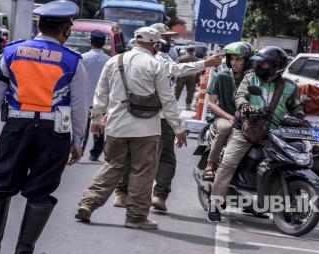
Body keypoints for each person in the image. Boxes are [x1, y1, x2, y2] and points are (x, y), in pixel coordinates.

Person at [0, 0, 89, 254]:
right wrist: (78, 142)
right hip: (54, 134)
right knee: (40, 191)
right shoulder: (73, 61)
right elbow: (79, 106)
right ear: (66, 31)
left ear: (39, 25)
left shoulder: (12, 52)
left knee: (1, 184)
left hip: (16, 128)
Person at [75, 27, 188, 229]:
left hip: (116, 126)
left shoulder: (114, 61)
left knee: (111, 166)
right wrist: (178, 128)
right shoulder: (155, 64)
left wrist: (96, 119)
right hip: (147, 130)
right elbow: (167, 99)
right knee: (142, 172)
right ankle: (135, 218)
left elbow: (101, 94)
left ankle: (87, 204)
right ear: (155, 45)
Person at [112, 24, 224, 212]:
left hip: (130, 113)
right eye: (165, 37)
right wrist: (205, 63)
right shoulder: (159, 59)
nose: (168, 41)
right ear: (155, 40)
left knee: (131, 154)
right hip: (159, 115)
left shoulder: (124, 58)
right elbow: (176, 73)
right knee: (165, 158)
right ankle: (158, 196)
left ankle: (122, 194)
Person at [207, 46, 304, 223]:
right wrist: (245, 107)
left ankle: (268, 201)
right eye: (259, 63)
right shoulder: (250, 78)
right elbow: (240, 96)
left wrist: (299, 116)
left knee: (282, 162)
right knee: (228, 163)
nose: (260, 66)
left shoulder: (290, 86)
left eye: (265, 64)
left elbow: (296, 106)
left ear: (276, 66)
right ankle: (214, 203)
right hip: (245, 129)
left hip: (272, 133)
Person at [202, 42, 255, 181]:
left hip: (246, 119)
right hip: (225, 118)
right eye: (232, 59)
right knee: (227, 127)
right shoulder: (222, 76)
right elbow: (211, 104)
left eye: (239, 59)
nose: (234, 63)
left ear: (247, 61)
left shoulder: (253, 79)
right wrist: (230, 117)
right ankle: (210, 164)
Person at [81, 30, 111, 161]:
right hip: (102, 100)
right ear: (104, 43)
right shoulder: (110, 60)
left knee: (82, 127)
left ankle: (79, 149)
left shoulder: (83, 58)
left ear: (90, 41)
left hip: (84, 99)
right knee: (99, 127)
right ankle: (95, 153)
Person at [175, 45, 200, 110]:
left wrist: (176, 77)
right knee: (190, 91)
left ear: (187, 50)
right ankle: (188, 106)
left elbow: (176, 68)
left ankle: (174, 104)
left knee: (178, 91)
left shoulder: (181, 58)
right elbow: (198, 70)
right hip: (192, 76)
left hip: (182, 76)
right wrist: (197, 79)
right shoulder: (196, 59)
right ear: (194, 51)